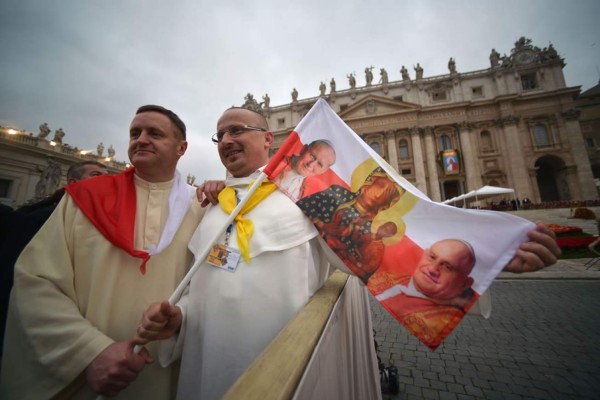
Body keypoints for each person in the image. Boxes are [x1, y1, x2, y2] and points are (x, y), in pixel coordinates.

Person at [134, 107, 380, 399]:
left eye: (236, 130)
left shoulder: (310, 199)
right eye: (220, 135)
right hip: (207, 369)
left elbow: (363, 261)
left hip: (286, 373)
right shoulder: (212, 206)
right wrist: (180, 318)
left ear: (268, 139)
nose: (225, 140)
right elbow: (203, 286)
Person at [1, 105, 205, 398]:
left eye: (154, 133)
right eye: (135, 133)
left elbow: (208, 287)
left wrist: (181, 318)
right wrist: (91, 351)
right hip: (83, 373)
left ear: (181, 148)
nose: (141, 139)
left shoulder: (199, 208)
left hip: (162, 369)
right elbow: (35, 281)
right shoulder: (85, 199)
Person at [0, 161, 109, 361]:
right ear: (74, 182)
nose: (105, 179)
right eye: (96, 174)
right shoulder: (42, 219)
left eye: (106, 174)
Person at [376, 239, 477, 349]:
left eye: (447, 267)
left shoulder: (442, 319)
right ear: (424, 254)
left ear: (465, 284)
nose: (433, 269)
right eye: (432, 257)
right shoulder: (388, 276)